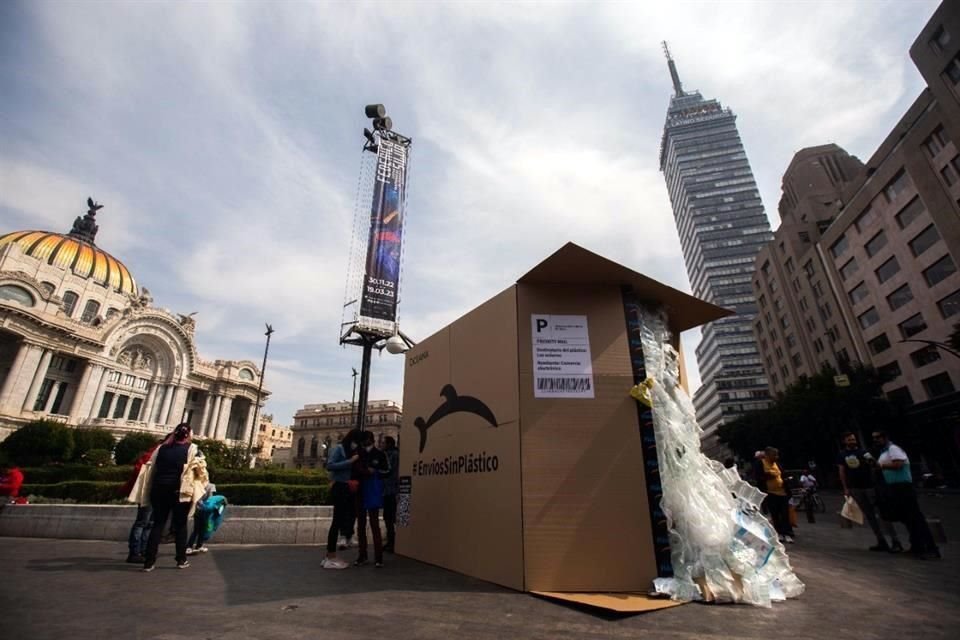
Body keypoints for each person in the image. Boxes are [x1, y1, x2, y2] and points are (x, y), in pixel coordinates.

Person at [128, 423, 208, 571]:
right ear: (188, 435)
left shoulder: (161, 448)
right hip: (179, 492)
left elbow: (150, 468)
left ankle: (149, 562)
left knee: (158, 524)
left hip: (158, 490)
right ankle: (180, 559)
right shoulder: (192, 449)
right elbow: (201, 471)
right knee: (180, 526)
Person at [872, 431, 940, 560]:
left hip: (903, 487)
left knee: (916, 518)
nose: (876, 440)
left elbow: (898, 464)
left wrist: (880, 465)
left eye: (878, 437)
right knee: (908, 519)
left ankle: (931, 548)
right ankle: (917, 546)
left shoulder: (893, 448)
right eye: (874, 438)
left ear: (885, 437)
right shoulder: (884, 452)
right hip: (893, 488)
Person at [837, 432, 902, 552]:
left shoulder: (864, 452)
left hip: (870, 486)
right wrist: (846, 488)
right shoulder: (842, 455)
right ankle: (881, 540)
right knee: (869, 515)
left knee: (882, 514)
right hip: (855, 488)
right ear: (844, 442)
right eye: (849, 440)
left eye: (853, 439)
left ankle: (895, 540)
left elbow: (875, 466)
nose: (852, 441)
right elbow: (842, 472)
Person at [120, 438, 166, 564]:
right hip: (147, 493)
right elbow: (139, 472)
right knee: (142, 522)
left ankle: (144, 550)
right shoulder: (151, 455)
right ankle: (134, 552)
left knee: (150, 523)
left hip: (158, 493)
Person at [322, 430, 361, 570]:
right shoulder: (339, 448)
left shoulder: (353, 451)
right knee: (337, 521)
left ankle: (330, 555)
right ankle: (330, 556)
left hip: (347, 488)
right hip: (339, 487)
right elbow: (330, 465)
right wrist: (349, 461)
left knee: (343, 519)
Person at [355, 431, 390, 568]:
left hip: (373, 491)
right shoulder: (359, 455)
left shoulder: (380, 454)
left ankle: (378, 557)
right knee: (361, 525)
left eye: (366, 440)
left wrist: (375, 472)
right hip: (360, 491)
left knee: (375, 524)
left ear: (371, 440)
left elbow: (387, 471)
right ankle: (362, 555)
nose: (365, 442)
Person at [761, 447, 794, 543]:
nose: (776, 457)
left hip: (782, 492)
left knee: (785, 514)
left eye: (777, 455)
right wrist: (768, 476)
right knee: (775, 514)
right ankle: (779, 533)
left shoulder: (777, 464)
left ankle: (787, 533)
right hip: (771, 493)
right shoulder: (761, 464)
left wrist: (786, 481)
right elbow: (758, 477)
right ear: (767, 455)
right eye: (774, 455)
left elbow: (782, 475)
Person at [186, 482, 218, 555]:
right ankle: (196, 546)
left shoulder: (196, 485)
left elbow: (195, 498)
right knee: (202, 529)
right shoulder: (211, 486)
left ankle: (191, 547)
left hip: (197, 510)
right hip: (205, 511)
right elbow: (211, 499)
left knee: (197, 529)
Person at [382, 436, 400, 553]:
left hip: (390, 489)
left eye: (384, 442)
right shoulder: (392, 454)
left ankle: (392, 542)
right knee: (388, 517)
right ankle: (390, 541)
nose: (382, 444)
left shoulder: (392, 455)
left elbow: (388, 470)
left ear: (389, 444)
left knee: (389, 517)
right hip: (389, 489)